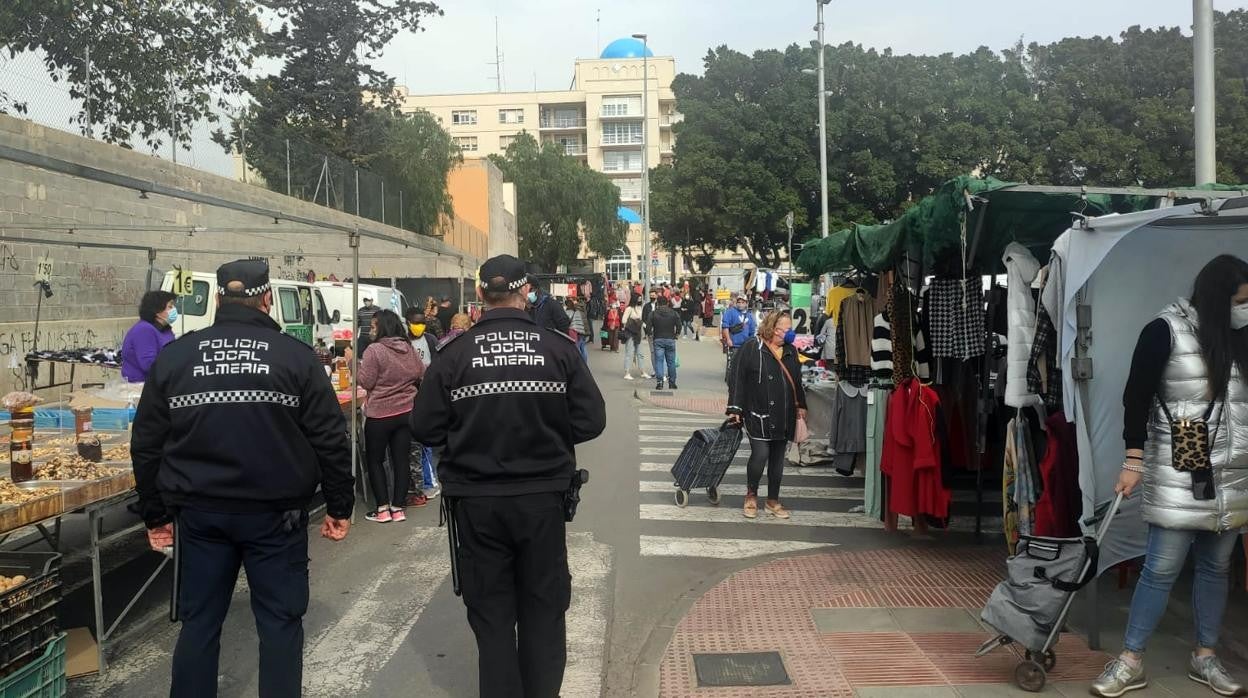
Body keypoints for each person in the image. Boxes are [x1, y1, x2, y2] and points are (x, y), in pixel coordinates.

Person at [130, 259, 353, 697]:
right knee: (280, 624)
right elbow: (330, 437)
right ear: (266, 298)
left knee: (199, 624)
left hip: (200, 515)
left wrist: (154, 514)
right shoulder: (295, 357)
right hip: (276, 517)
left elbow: (147, 442)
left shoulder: (177, 356)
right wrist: (340, 505)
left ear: (217, 299)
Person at [410, 254, 606, 698]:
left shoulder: (453, 354)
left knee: (493, 618)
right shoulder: (557, 349)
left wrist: (467, 436)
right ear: (527, 292)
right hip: (542, 500)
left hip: (476, 505)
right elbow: (592, 420)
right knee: (543, 610)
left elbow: (424, 427)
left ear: (480, 294)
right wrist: (550, 432)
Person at [1091, 255, 1248, 698]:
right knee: (1160, 567)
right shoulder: (1165, 330)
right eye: (1240, 302)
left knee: (1216, 566)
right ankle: (1130, 660)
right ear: (1217, 299)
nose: (1245, 310)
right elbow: (1136, 396)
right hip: (1185, 462)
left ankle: (1205, 656)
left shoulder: (1241, 338)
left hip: (1234, 474)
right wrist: (1133, 460)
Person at [727, 309, 805, 520]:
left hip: (784, 413)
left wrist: (801, 407)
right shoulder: (752, 347)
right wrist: (735, 408)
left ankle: (772, 500)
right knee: (760, 454)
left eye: (790, 329)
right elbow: (736, 378)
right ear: (773, 329)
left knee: (778, 459)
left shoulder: (790, 351)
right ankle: (751, 495)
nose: (790, 333)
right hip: (758, 413)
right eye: (786, 329)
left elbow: (796, 381)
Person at [357, 309, 424, 523]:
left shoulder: (374, 350)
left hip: (379, 415)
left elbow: (365, 382)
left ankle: (382, 509)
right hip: (406, 411)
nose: (371, 330)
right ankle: (398, 507)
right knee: (401, 459)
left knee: (375, 461)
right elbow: (420, 372)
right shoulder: (408, 347)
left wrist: (352, 363)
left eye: (374, 326)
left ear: (383, 327)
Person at [121, 290, 178, 383]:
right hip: (140, 385)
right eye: (170, 306)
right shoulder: (144, 330)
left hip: (160, 382)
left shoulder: (165, 329)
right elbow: (149, 364)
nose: (174, 309)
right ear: (157, 311)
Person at [721, 294, 758, 383]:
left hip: (746, 346)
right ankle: (731, 384)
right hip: (734, 345)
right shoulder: (730, 312)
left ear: (746, 303)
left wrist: (752, 344)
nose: (740, 304)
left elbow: (752, 332)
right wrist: (728, 339)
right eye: (739, 302)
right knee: (733, 366)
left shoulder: (749, 316)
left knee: (745, 366)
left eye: (743, 302)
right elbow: (725, 326)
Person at [648, 296, 682, 390]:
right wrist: (676, 334)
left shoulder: (653, 313)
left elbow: (648, 327)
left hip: (658, 339)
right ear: (667, 303)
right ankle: (672, 383)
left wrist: (650, 335)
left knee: (659, 361)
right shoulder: (674, 313)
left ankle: (660, 383)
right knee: (671, 362)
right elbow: (679, 325)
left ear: (657, 303)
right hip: (670, 339)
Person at [622, 296, 650, 381]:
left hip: (638, 333)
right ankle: (627, 373)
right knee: (629, 353)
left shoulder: (640, 308)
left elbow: (642, 321)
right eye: (638, 299)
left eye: (641, 299)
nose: (640, 301)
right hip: (630, 334)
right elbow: (623, 320)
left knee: (640, 353)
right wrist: (634, 320)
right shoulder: (629, 309)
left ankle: (643, 372)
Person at [566, 298, 590, 362]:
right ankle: (584, 362)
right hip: (584, 331)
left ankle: (579, 362)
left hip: (577, 331)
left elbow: (568, 321)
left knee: (577, 347)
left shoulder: (573, 312)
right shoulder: (583, 312)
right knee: (583, 347)